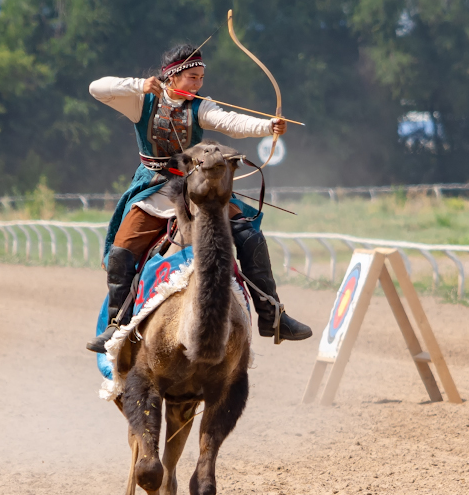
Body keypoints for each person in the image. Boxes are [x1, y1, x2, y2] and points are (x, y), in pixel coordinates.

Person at [85, 43, 312, 353]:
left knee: (249, 234)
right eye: (191, 77)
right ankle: (117, 326)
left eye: (201, 77)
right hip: (153, 188)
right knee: (122, 252)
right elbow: (96, 88)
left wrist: (267, 126)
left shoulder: (200, 107)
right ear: (171, 76)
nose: (198, 84)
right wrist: (139, 85)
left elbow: (232, 122)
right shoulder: (142, 101)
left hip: (195, 189)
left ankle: (273, 317)